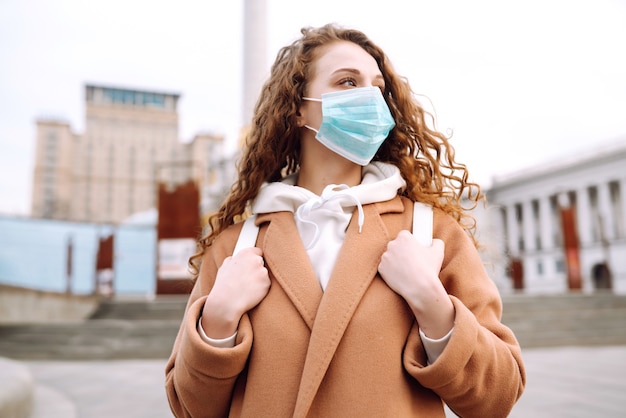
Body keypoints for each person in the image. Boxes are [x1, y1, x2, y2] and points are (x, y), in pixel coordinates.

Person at [165, 23, 525, 418]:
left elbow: (499, 396)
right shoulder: (237, 246)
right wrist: (217, 321)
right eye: (348, 82)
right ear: (298, 107)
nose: (370, 98)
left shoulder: (431, 233)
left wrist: (434, 305)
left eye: (379, 87)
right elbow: (190, 408)